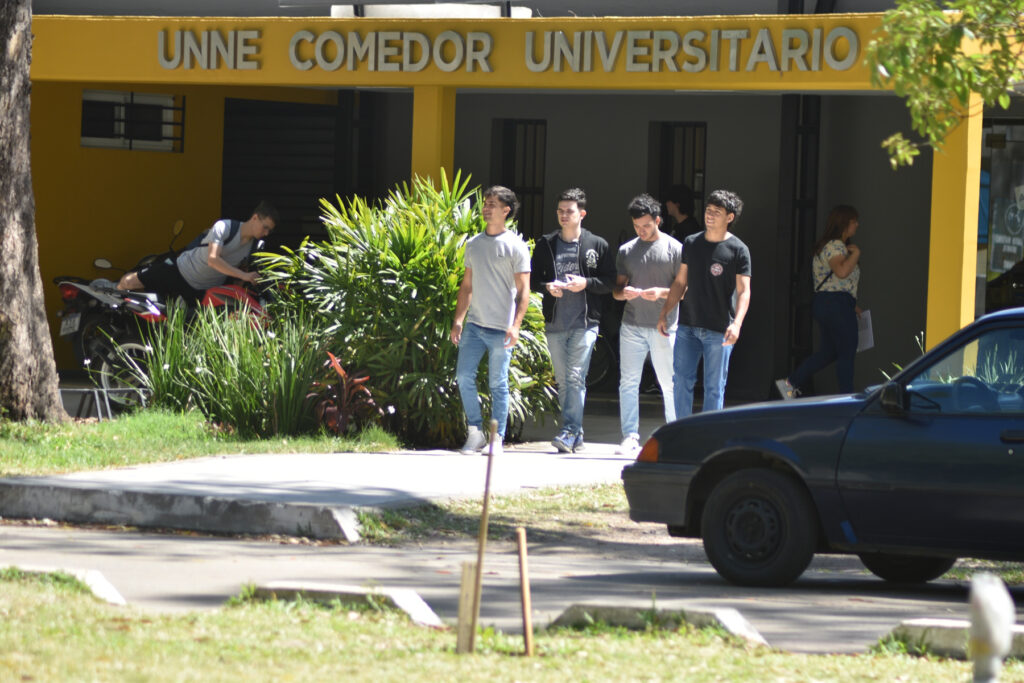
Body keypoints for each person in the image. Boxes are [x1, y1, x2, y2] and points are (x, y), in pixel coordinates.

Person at [530, 188, 616, 453]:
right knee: (563, 379)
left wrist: (586, 283)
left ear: (582, 214)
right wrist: (548, 287)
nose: (563, 216)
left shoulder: (596, 245)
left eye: (569, 211)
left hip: (585, 322)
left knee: (576, 377)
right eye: (560, 211)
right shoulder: (546, 244)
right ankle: (575, 434)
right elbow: (532, 280)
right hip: (555, 322)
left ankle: (568, 431)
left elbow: (610, 282)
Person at [451, 186, 531, 454]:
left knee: (498, 383)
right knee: (463, 376)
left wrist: (516, 325)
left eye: (492, 204)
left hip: (501, 328)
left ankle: (497, 438)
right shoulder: (474, 244)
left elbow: (523, 291)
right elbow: (466, 286)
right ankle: (475, 433)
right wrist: (458, 319)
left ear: (506, 210)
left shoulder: (516, 246)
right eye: (485, 203)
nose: (486, 208)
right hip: (474, 325)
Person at [658, 189, 751, 417]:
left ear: (729, 217)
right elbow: (680, 282)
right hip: (688, 326)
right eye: (708, 210)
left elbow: (744, 291)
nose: (710, 215)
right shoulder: (691, 242)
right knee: (681, 381)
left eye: (716, 212)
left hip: (719, 329)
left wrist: (737, 324)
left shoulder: (738, 250)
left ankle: (709, 437)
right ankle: (681, 431)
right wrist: (665, 312)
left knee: (714, 387)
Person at [614, 193, 683, 455]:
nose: (641, 231)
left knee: (669, 382)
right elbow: (617, 291)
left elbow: (684, 290)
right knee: (628, 382)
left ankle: (675, 435)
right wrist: (625, 293)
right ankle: (630, 435)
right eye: (636, 227)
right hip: (632, 323)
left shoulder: (675, 249)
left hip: (664, 325)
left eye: (646, 225)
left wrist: (661, 292)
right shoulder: (626, 251)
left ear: (657, 220)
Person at [776, 205, 862, 398]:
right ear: (845, 223)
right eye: (854, 221)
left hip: (831, 303)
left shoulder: (828, 246)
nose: (857, 224)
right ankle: (847, 398)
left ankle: (790, 383)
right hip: (836, 304)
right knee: (847, 349)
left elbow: (835, 281)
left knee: (829, 352)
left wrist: (852, 305)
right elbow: (841, 272)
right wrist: (856, 254)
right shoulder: (836, 246)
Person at [117, 201, 278, 301]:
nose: (266, 233)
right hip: (180, 271)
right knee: (129, 282)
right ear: (255, 217)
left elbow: (238, 279)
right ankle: (112, 304)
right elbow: (213, 259)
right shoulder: (225, 227)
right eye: (265, 227)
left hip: (203, 291)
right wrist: (244, 275)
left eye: (269, 231)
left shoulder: (252, 248)